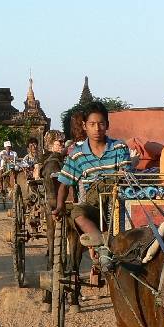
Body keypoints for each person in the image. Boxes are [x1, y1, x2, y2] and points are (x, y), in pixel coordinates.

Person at [53, 101, 133, 252]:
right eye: (92, 124)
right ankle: (101, 241)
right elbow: (64, 184)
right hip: (94, 206)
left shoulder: (119, 147)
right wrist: (59, 206)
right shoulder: (77, 154)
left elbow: (126, 176)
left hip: (119, 203)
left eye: (101, 124)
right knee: (77, 212)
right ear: (84, 126)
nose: (97, 128)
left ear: (107, 125)